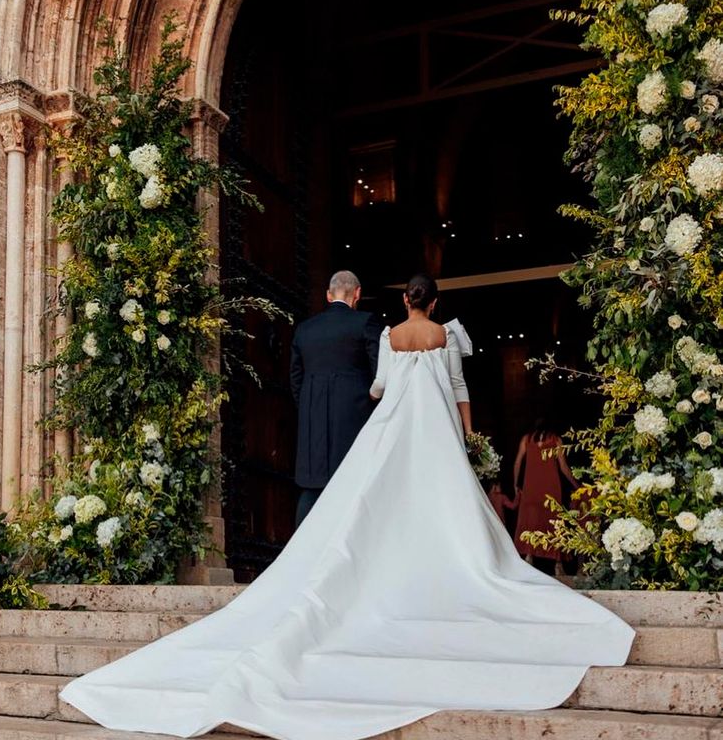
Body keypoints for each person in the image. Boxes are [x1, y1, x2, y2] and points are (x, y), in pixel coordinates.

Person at [60, 273, 633, 740]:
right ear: (431, 301)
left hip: (391, 424)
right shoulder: (444, 335)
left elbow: (379, 388)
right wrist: (467, 436)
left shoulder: (380, 337)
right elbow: (459, 389)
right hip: (432, 428)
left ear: (401, 301)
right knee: (440, 500)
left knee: (368, 496)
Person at [289, 269, 381, 526]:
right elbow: (381, 375)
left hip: (312, 422)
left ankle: (301, 556)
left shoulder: (305, 330)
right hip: (354, 419)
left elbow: (295, 379)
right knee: (355, 488)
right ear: (358, 294)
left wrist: (309, 407)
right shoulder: (365, 323)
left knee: (311, 490)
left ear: (328, 295)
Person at [513, 416, 579, 576]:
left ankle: (529, 557)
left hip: (531, 487)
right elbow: (563, 467)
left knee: (531, 521)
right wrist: (577, 485)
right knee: (553, 522)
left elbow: (517, 463)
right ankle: (557, 564)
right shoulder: (555, 440)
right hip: (551, 488)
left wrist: (516, 484)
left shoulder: (526, 440)